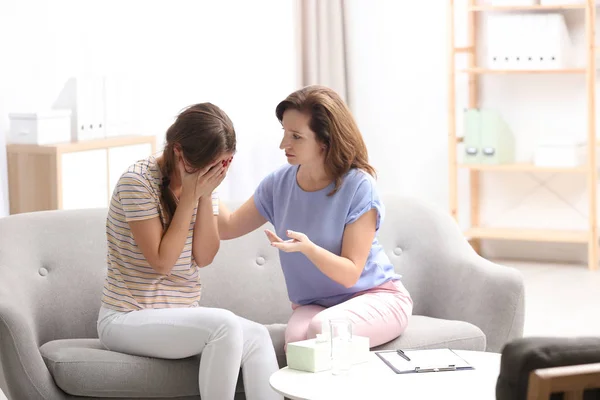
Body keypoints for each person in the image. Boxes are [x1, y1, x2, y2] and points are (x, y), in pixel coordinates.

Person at [97, 103, 282, 400]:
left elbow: (205, 257)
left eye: (223, 165)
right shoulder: (137, 182)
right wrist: (190, 198)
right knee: (224, 326)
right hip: (126, 318)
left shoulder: (202, 182)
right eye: (210, 167)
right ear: (179, 152)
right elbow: (162, 263)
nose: (216, 173)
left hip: (180, 313)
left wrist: (204, 194)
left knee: (257, 337)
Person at [218, 85, 413, 350]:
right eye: (285, 133)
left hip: (376, 297)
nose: (283, 144)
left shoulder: (358, 187)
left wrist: (309, 249)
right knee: (297, 344)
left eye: (296, 136)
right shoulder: (278, 184)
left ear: (325, 141)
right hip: (315, 306)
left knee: (322, 330)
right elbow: (227, 227)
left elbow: (350, 274)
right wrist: (205, 183)